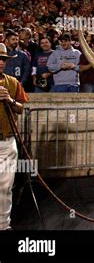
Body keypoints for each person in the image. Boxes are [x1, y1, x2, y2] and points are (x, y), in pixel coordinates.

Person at [0, 43, 29, 230]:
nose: (1, 63)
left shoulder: (12, 82)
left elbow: (21, 108)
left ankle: (3, 225)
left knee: (4, 186)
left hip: (6, 140)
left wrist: (9, 100)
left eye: (3, 59)